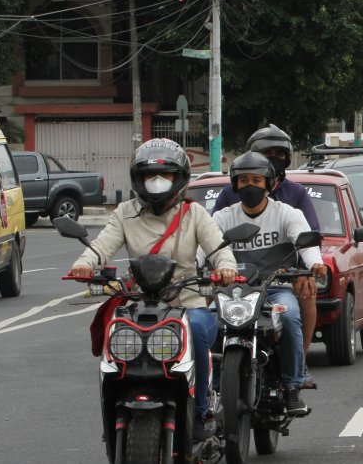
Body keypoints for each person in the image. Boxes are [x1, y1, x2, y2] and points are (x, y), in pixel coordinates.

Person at [67, 138, 237, 442]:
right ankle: (114, 408)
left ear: (179, 178)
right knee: (115, 336)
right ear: (138, 179)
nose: (157, 181)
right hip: (139, 303)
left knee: (198, 330)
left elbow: (220, 250)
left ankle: (200, 410)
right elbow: (101, 247)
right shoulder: (124, 213)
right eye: (149, 175)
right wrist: (83, 265)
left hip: (187, 301)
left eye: (165, 174)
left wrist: (226, 269)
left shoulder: (194, 214)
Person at [211, 152, 328, 415]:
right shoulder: (222, 218)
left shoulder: (287, 213)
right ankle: (213, 390)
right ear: (235, 184)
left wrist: (315, 264)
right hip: (233, 292)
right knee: (208, 322)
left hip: (276, 289)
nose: (250, 186)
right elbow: (204, 248)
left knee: (289, 316)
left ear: (268, 183)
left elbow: (306, 243)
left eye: (256, 180)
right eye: (244, 180)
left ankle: (293, 386)